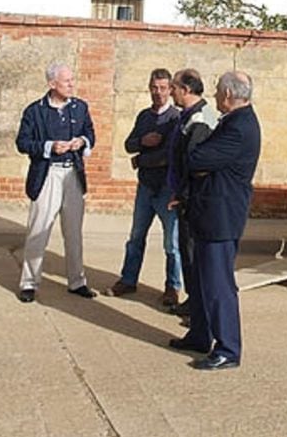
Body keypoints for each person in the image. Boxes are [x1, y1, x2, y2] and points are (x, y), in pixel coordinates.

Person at [169, 71, 260, 371]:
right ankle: (200, 334)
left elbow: (196, 158)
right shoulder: (229, 122)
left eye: (219, 90)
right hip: (206, 212)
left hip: (221, 216)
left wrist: (197, 158)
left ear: (230, 95)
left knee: (219, 285)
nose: (216, 95)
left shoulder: (239, 126)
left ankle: (228, 348)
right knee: (201, 280)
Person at [15, 63, 97, 303]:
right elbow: (23, 142)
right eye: (66, 81)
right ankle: (29, 282)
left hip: (73, 174)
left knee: (74, 232)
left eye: (72, 80)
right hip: (47, 174)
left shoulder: (80, 107)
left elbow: (90, 133)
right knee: (38, 231)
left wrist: (81, 141)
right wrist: (49, 147)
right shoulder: (34, 111)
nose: (72, 84)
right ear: (52, 84)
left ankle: (77, 280)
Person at [109, 69, 182, 304]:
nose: (158, 93)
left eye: (163, 88)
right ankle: (128, 280)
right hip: (146, 187)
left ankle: (172, 287)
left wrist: (140, 160)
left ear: (171, 89)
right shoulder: (144, 117)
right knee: (136, 236)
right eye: (154, 87)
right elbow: (128, 144)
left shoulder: (175, 118)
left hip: (167, 188)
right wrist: (142, 142)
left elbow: (169, 155)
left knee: (172, 243)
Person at [164, 68, 217, 320]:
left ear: (185, 90)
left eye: (173, 87)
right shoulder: (188, 116)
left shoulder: (202, 119)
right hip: (184, 197)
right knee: (187, 252)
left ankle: (200, 309)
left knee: (194, 254)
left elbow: (196, 164)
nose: (170, 91)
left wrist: (183, 195)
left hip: (193, 201)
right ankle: (193, 300)